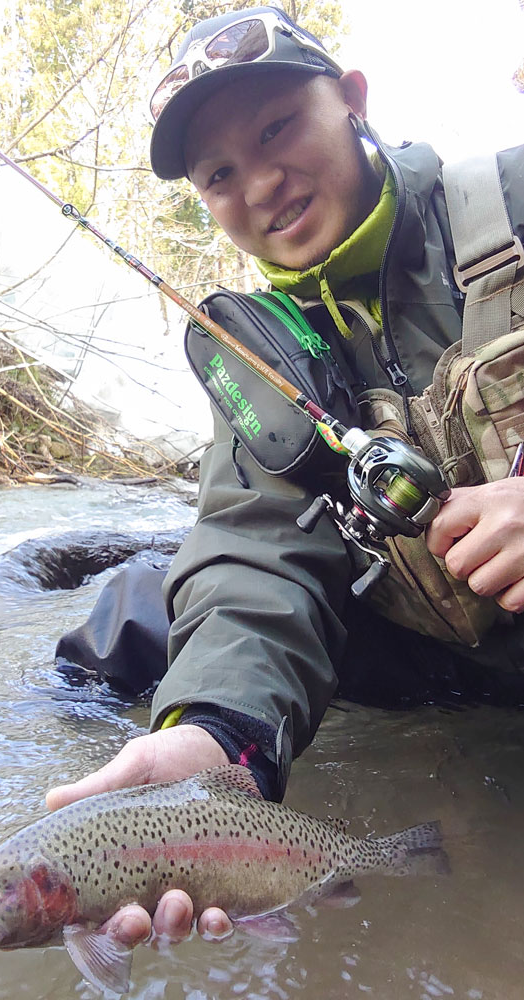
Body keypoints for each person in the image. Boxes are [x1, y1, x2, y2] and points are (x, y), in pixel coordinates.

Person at [47, 5, 524, 950]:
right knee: (135, 611)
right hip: (457, 670)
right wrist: (211, 742)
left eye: (275, 130)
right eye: (219, 174)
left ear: (352, 100)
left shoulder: (509, 198)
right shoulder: (257, 362)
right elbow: (254, 557)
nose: (260, 184)